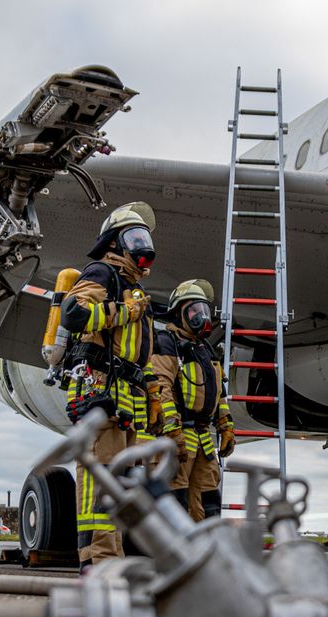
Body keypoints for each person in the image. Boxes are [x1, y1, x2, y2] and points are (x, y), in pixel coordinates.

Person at [61, 201, 156, 571]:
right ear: (115, 244)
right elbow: (74, 314)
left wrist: (149, 396)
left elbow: (139, 355)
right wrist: (121, 311)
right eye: (134, 236)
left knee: (119, 485)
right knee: (100, 481)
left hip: (125, 398)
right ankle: (96, 559)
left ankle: (112, 558)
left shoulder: (133, 290)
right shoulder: (103, 273)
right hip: (100, 390)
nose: (142, 245)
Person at [150, 279, 235, 521]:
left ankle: (209, 551)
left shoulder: (206, 350)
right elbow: (161, 386)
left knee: (209, 498)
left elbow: (220, 394)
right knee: (176, 497)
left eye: (204, 310)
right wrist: (172, 430)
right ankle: (177, 555)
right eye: (195, 311)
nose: (202, 316)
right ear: (179, 314)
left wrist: (225, 427)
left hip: (203, 440)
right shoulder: (167, 343)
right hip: (178, 438)